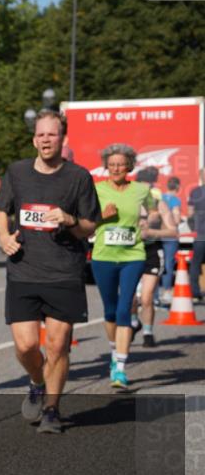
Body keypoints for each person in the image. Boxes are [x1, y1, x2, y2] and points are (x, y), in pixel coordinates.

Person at [0, 109, 99, 434]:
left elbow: (89, 226)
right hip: (23, 270)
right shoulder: (17, 172)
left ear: (62, 138)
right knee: (26, 346)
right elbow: (1, 208)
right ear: (34, 139)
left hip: (64, 271)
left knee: (57, 345)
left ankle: (52, 409)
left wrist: (70, 221)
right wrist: (1, 236)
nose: (45, 140)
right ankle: (37, 381)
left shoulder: (78, 177)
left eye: (51, 134)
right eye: (40, 134)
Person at [90, 145, 159, 389]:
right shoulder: (96, 190)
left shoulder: (141, 189)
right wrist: (102, 217)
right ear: (106, 167)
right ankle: (113, 353)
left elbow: (153, 211)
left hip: (133, 255)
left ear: (129, 166)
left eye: (121, 164)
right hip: (103, 256)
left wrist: (150, 222)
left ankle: (119, 368)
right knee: (109, 310)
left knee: (124, 308)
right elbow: (84, 221)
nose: (117, 168)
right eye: (112, 164)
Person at [130, 167, 179, 348]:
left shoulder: (159, 203)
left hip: (150, 252)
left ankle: (148, 333)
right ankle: (135, 321)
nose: (145, 188)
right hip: (129, 252)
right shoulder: (129, 201)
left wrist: (152, 231)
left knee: (147, 297)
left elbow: (173, 231)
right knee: (130, 297)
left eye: (148, 185)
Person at [160, 176, 182, 295]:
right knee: (169, 264)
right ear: (177, 187)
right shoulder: (175, 200)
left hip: (158, 234)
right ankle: (166, 290)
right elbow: (177, 218)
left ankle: (154, 293)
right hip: (170, 235)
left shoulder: (160, 198)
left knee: (158, 263)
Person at [189, 168, 205, 302]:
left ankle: (195, 293)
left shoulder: (195, 192)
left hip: (200, 235)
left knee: (195, 264)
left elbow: (190, 213)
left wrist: (193, 227)